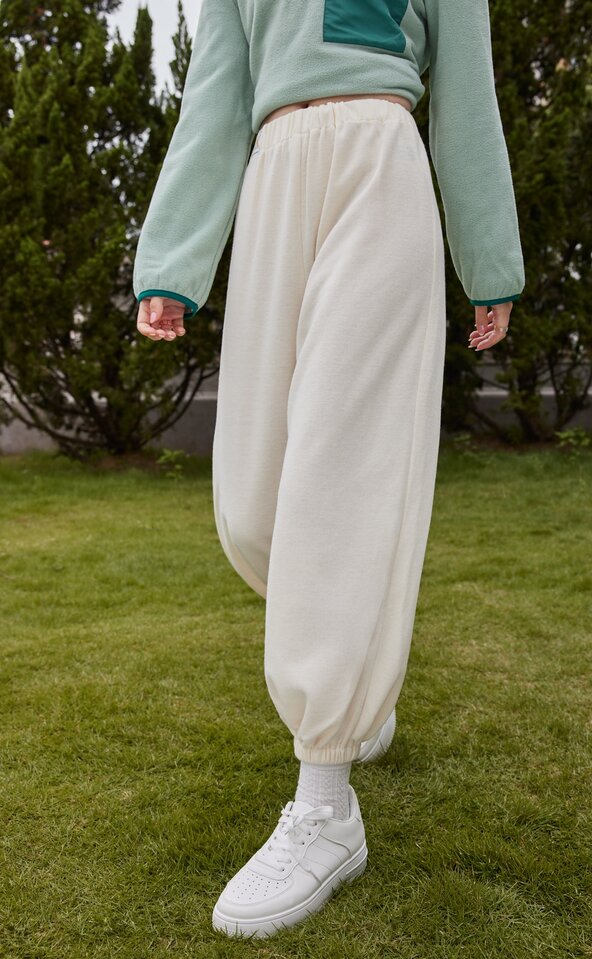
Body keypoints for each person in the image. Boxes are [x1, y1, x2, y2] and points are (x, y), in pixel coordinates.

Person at [133, 0, 524, 940]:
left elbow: (467, 89)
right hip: (274, 176)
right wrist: (173, 259)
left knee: (338, 477)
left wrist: (490, 260)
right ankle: (354, 662)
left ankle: (327, 803)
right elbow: (215, 94)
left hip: (380, 168)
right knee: (251, 510)